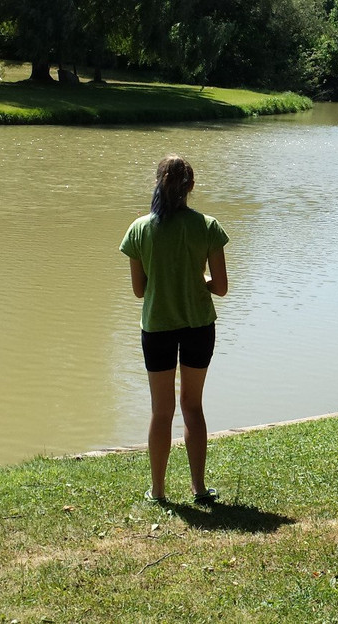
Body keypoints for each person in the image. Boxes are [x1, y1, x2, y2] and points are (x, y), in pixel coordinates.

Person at [120, 155, 229, 503]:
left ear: (156, 183)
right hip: (199, 326)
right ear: (191, 187)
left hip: (157, 328)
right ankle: (198, 488)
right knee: (192, 407)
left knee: (161, 411)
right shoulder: (208, 226)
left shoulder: (139, 229)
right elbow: (222, 287)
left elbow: (140, 291)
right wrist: (197, 281)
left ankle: (158, 491)